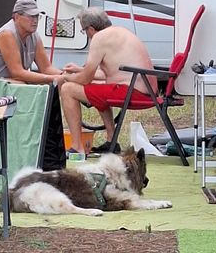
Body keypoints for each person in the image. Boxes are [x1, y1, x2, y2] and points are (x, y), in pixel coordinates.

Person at [59, 8, 156, 159]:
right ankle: (112, 141)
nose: (87, 35)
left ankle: (77, 147)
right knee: (98, 89)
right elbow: (108, 73)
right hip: (144, 90)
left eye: (84, 31)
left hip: (132, 92)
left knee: (67, 89)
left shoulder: (99, 38)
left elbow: (85, 79)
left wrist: (65, 77)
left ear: (91, 29)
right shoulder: (119, 32)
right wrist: (78, 70)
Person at [0, 0, 63, 95]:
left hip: (9, 79)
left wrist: (65, 76)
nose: (35, 20)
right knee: (23, 88)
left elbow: (46, 68)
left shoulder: (34, 36)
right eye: (30, 16)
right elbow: (17, 73)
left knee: (54, 88)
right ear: (16, 17)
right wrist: (53, 78)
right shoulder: (6, 35)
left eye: (37, 16)